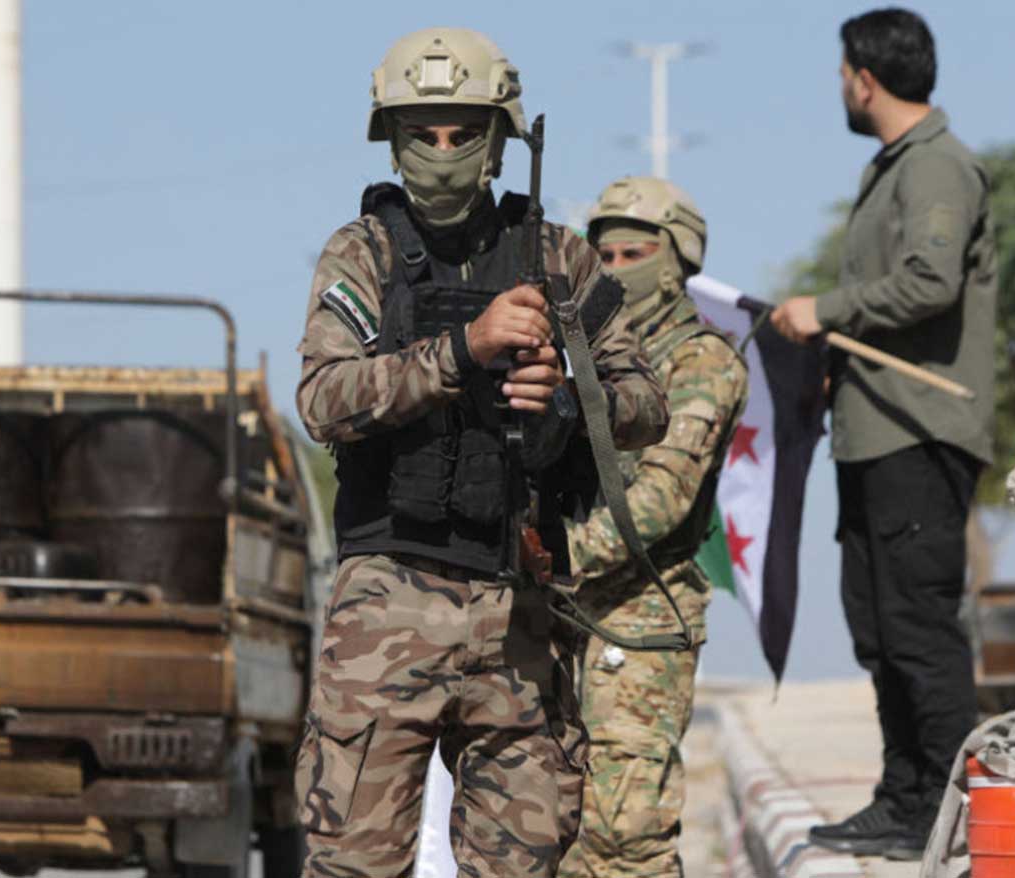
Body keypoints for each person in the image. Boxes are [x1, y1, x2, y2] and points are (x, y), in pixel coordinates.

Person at [293, 27, 669, 878]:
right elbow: (323, 399)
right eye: (421, 132)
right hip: (385, 603)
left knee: (524, 864)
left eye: (463, 131)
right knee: (351, 861)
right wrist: (463, 350)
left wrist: (570, 402)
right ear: (390, 138)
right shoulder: (364, 251)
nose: (442, 151)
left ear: (501, 138)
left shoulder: (558, 257)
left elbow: (648, 404)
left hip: (520, 607)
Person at [771, 7, 997, 862]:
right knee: (875, 625)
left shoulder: (937, 166)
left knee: (917, 628)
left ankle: (948, 810)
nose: (838, 86)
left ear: (865, 77)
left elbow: (930, 281)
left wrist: (823, 312)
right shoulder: (893, 169)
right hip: (872, 437)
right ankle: (903, 796)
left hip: (918, 434)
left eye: (840, 73)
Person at [556, 177, 748, 878]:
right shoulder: (584, 360)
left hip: (640, 620)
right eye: (599, 256)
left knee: (624, 837)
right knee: (556, 835)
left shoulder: (701, 361)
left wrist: (557, 554)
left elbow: (663, 496)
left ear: (675, 260)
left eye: (631, 253)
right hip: (565, 615)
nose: (611, 271)